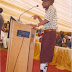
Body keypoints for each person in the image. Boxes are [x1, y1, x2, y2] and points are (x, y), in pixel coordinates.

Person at [28, 0, 58, 72]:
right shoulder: (49, 10)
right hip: (48, 33)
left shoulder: (51, 8)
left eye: (45, 2)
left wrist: (36, 25)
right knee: (45, 53)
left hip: (50, 34)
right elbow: (45, 22)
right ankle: (43, 70)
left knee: (45, 52)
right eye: (43, 2)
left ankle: (42, 70)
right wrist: (38, 17)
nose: (42, 3)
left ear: (50, 2)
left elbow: (46, 21)